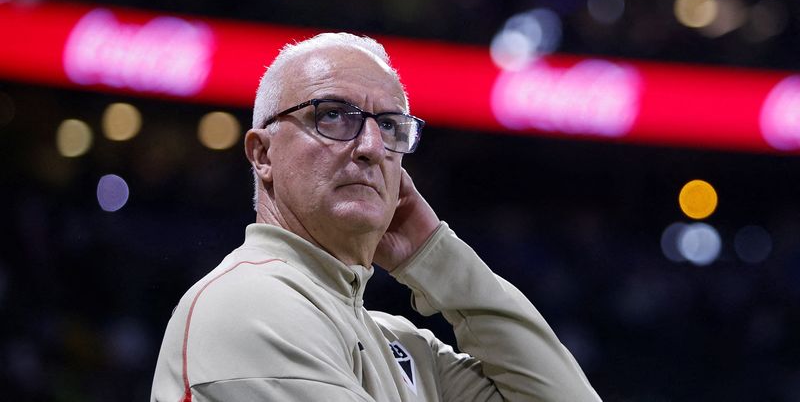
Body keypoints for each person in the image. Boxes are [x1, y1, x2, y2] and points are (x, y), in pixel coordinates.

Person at [151, 32, 601, 401]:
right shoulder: (248, 301)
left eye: (388, 125)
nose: (369, 147)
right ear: (262, 154)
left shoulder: (400, 345)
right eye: (331, 116)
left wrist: (435, 255)